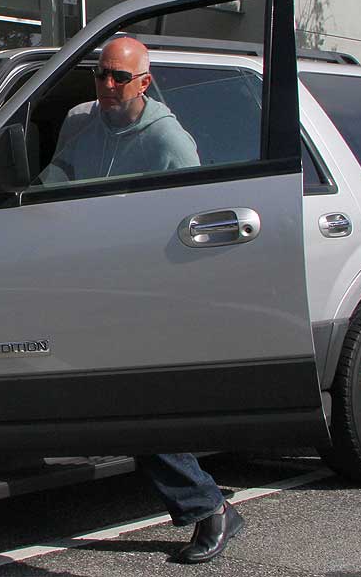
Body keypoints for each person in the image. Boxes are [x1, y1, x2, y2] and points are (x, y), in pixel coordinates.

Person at [40, 35, 245, 565]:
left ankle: (207, 506)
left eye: (119, 78)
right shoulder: (82, 120)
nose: (108, 86)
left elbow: (195, 221)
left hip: (145, 293)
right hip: (83, 285)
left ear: (144, 82)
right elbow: (60, 173)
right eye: (102, 75)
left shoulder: (170, 142)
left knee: (131, 404)